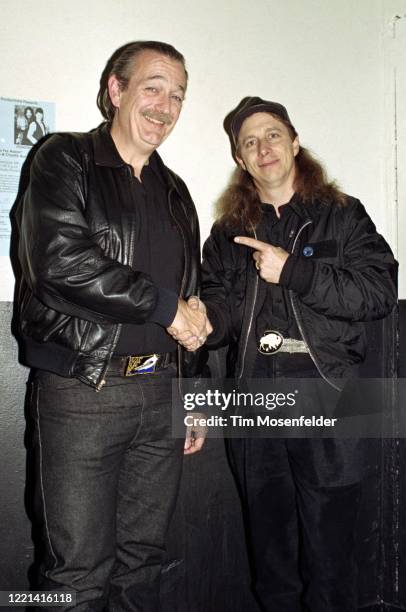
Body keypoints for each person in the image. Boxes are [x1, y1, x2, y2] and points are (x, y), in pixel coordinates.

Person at [15, 41, 211, 611]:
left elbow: (190, 299)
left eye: (177, 95)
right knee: (76, 575)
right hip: (83, 392)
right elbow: (58, 264)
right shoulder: (64, 159)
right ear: (116, 90)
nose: (166, 105)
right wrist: (165, 307)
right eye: (152, 87)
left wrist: (193, 390)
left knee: (145, 566)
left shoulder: (177, 192)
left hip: (161, 395)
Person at [181, 97, 397, 611]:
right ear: (240, 159)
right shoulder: (226, 234)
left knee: (331, 562)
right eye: (250, 141)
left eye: (273, 134)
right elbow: (223, 314)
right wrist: (202, 322)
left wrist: (295, 272)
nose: (264, 147)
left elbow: (379, 293)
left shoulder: (343, 216)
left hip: (330, 402)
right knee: (271, 559)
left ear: (295, 142)